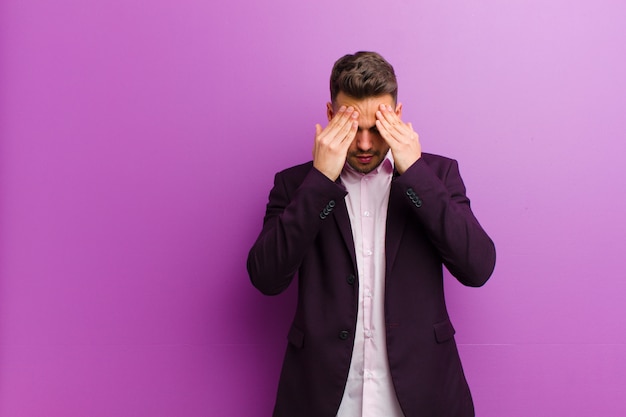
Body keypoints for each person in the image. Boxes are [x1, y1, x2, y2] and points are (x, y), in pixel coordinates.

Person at [247, 51, 496, 417]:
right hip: (322, 398)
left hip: (421, 395)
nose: (364, 145)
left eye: (376, 128)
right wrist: (319, 182)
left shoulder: (438, 176)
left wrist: (416, 174)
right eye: (353, 129)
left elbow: (478, 267)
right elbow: (266, 277)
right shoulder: (295, 185)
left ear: (397, 116)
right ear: (331, 116)